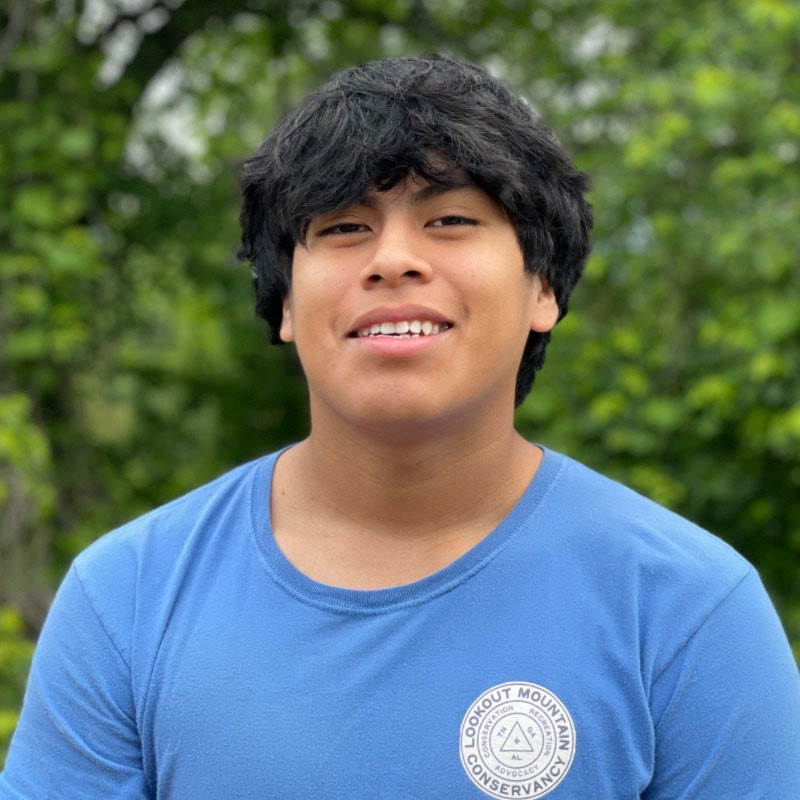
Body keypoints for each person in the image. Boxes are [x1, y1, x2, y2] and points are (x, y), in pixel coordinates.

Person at [1, 54, 798, 800]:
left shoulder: (685, 608)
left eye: (450, 220)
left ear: (543, 288)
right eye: (343, 228)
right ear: (284, 302)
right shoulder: (127, 599)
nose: (392, 259)